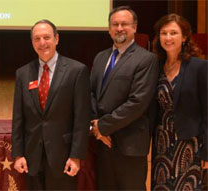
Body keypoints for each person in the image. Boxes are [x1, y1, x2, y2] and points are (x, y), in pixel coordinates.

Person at [11, 19, 90, 190]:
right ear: (32, 42)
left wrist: (76, 156)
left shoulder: (77, 71)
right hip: (32, 157)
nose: (42, 43)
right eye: (37, 39)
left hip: (63, 158)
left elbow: (82, 119)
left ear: (57, 39)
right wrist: (18, 154)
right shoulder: (23, 73)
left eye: (46, 37)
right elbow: (18, 118)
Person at [90, 6, 159, 190]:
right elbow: (90, 94)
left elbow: (138, 102)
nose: (119, 28)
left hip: (130, 145)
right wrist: (96, 126)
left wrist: (103, 126)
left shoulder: (146, 59)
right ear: (109, 29)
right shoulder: (100, 57)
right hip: (103, 145)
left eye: (124, 24)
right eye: (115, 24)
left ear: (135, 27)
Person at [150, 13, 207, 191]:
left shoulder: (199, 67)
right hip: (162, 143)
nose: (168, 38)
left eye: (173, 33)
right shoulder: (155, 66)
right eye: (164, 33)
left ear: (184, 37)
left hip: (190, 144)